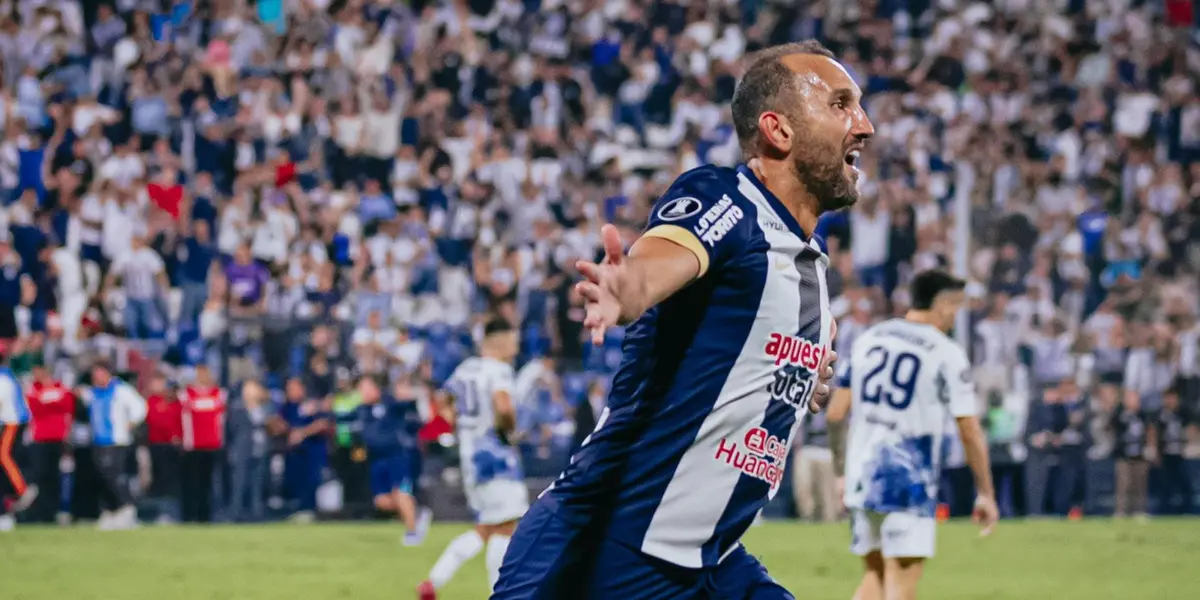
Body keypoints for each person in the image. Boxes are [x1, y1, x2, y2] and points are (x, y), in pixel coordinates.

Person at [491, 40, 859, 600]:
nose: (865, 125)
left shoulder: (804, 263)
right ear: (778, 130)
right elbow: (660, 261)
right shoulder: (729, 200)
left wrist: (799, 377)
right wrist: (627, 287)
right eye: (840, 104)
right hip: (609, 548)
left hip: (711, 559)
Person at [827, 270, 998, 600]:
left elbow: (835, 414)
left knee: (874, 578)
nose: (956, 316)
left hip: (862, 474)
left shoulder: (869, 338)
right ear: (943, 306)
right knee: (901, 584)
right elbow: (969, 428)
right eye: (956, 307)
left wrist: (840, 473)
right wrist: (986, 493)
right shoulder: (945, 352)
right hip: (907, 480)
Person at [421, 318, 526, 597]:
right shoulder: (500, 370)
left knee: (485, 528)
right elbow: (503, 406)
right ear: (500, 340)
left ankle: (433, 583)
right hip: (494, 455)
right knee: (506, 529)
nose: (516, 346)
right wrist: (510, 429)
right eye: (513, 339)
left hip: (471, 459)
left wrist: (456, 424)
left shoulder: (465, 369)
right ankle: (498, 593)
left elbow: (443, 402)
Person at [341, 375, 432, 544]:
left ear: (376, 388)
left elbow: (409, 404)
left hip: (396, 456)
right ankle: (417, 513)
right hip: (376, 459)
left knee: (401, 493)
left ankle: (412, 533)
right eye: (361, 389)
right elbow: (349, 427)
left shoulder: (389, 403)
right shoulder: (360, 411)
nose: (364, 392)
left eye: (367, 387)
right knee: (382, 501)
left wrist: (409, 392)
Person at [78, 360, 149, 531]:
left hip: (117, 441)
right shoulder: (93, 393)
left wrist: (131, 423)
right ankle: (111, 510)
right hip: (98, 441)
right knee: (102, 477)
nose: (97, 377)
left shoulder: (121, 390)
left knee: (115, 477)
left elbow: (140, 407)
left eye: (100, 373)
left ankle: (126, 510)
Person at [25, 363, 74, 523]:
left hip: (58, 438)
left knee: (56, 476)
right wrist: (51, 404)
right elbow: (35, 408)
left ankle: (56, 510)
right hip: (39, 438)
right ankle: (43, 512)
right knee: (41, 476)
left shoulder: (61, 387)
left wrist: (45, 403)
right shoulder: (33, 388)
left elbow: (67, 405)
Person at [180, 365, 227, 523]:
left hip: (212, 445)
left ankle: (205, 517)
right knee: (192, 483)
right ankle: (189, 516)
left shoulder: (218, 394)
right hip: (193, 446)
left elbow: (222, 418)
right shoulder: (187, 394)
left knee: (208, 484)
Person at [0, 354, 35, 531]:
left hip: (11, 423)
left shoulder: (3, 379)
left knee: (4, 456)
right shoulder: (8, 376)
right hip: (12, 423)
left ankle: (21, 489)